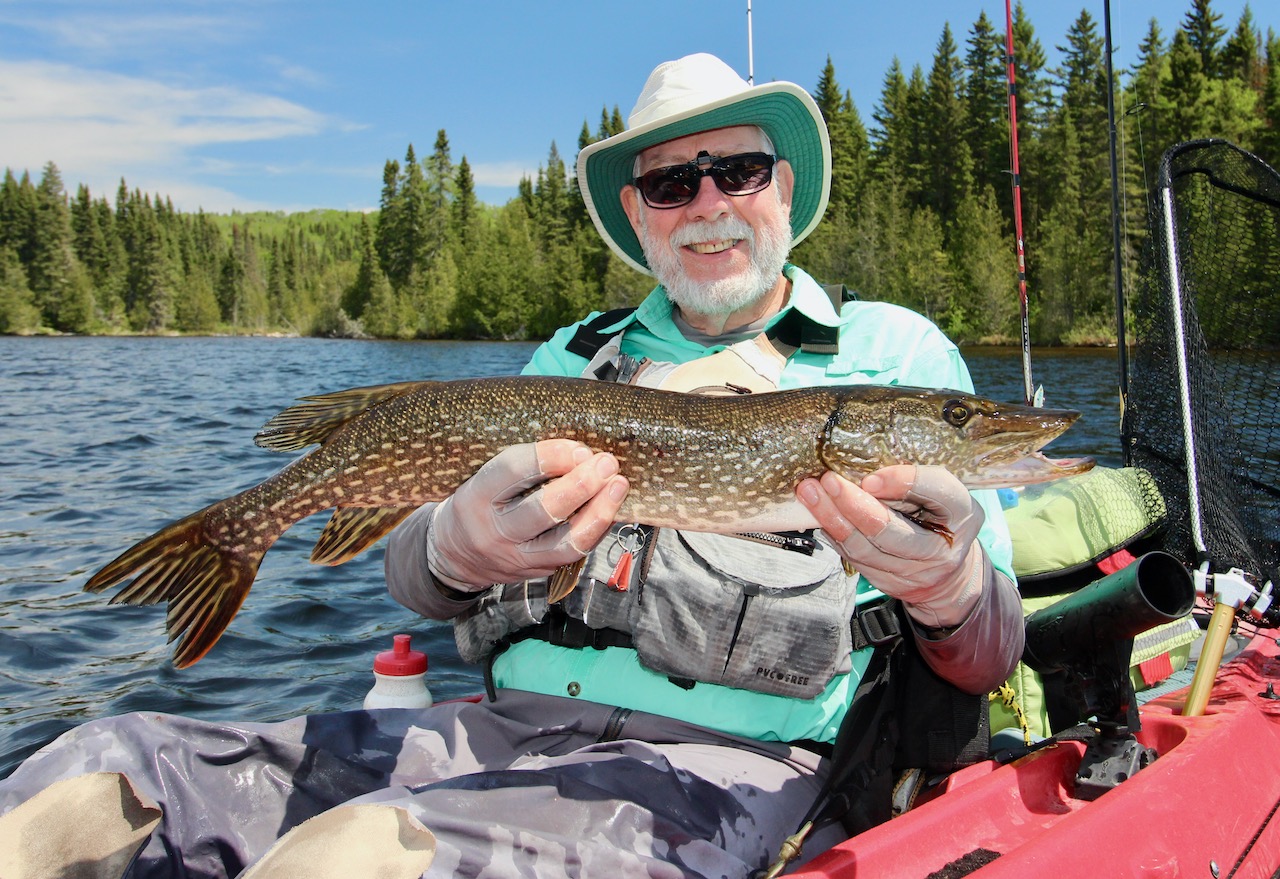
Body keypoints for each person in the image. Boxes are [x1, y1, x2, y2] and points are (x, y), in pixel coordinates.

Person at [0, 53, 1022, 879]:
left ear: (782, 188)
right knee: (88, 782)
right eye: (672, 182)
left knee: (355, 862)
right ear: (638, 214)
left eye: (738, 172)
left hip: (712, 780)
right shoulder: (571, 359)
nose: (708, 203)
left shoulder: (893, 360)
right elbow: (410, 576)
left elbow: (984, 658)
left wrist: (949, 581)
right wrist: (453, 545)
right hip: (480, 739)